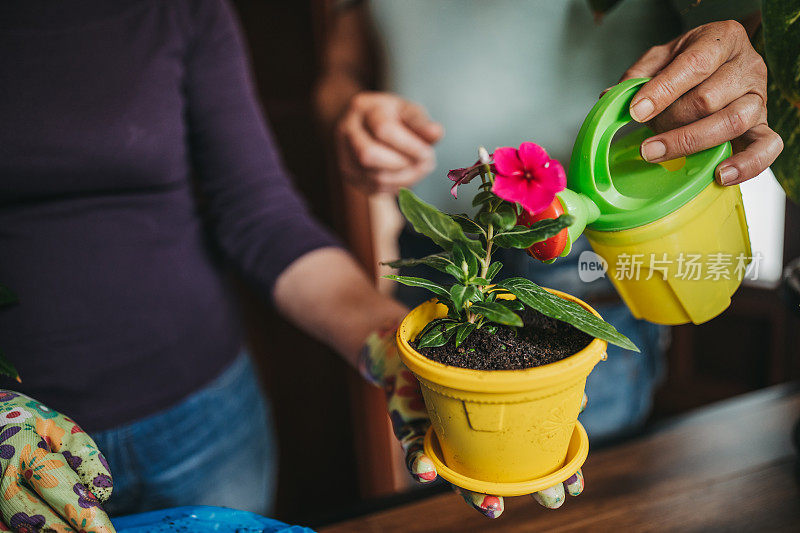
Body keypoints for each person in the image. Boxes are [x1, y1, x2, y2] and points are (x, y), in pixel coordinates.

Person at [0, 0, 596, 528]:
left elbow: (259, 216)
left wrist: (394, 350)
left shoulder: (180, 9)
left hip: (203, 420)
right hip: (18, 449)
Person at [316, 0, 780, 444]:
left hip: (580, 255)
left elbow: (745, 30)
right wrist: (349, 114)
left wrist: (752, 57)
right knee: (447, 460)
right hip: (437, 252)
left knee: (579, 487)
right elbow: (341, 67)